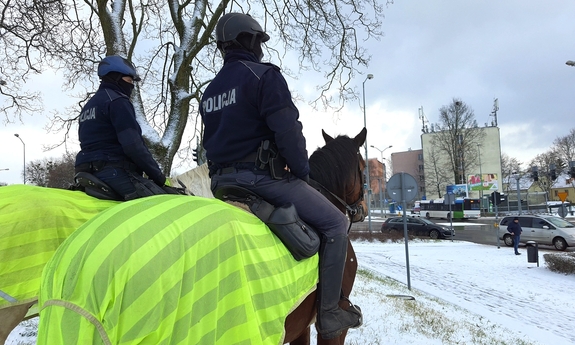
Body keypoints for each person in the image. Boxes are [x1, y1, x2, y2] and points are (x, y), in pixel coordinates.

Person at [199, 13, 362, 340]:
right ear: (250, 41)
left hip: (221, 184)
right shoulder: (264, 76)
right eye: (259, 41)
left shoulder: (210, 91)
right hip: (262, 180)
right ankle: (330, 313)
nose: (261, 48)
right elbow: (288, 131)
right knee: (335, 224)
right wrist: (301, 171)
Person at [75, 55, 178, 200]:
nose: (131, 86)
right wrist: (158, 177)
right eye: (129, 81)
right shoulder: (118, 102)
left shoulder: (89, 106)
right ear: (115, 78)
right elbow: (133, 145)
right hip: (114, 171)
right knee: (166, 205)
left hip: (86, 171)